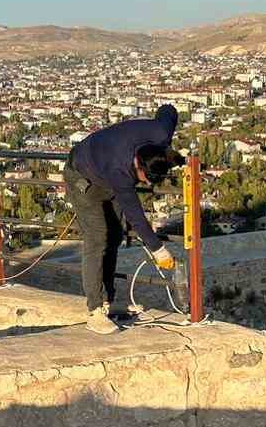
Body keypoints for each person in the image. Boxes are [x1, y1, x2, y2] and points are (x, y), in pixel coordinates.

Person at [63, 104, 185, 334]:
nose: (147, 184)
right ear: (138, 164)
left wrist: (170, 150)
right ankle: (95, 311)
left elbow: (168, 109)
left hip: (105, 172)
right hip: (83, 178)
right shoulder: (120, 171)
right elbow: (136, 216)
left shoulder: (160, 134)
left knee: (116, 235)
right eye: (145, 179)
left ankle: (108, 300)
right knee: (98, 239)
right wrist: (158, 250)